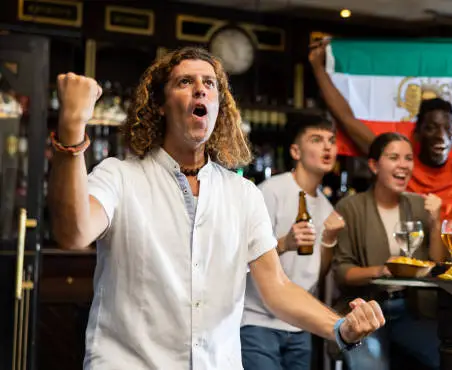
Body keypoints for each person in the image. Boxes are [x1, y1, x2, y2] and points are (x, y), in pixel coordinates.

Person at [47, 47, 385, 370]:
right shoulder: (119, 176)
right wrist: (72, 130)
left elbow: (277, 288)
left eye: (209, 84)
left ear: (219, 106)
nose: (200, 90)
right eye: (184, 82)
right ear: (161, 105)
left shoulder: (243, 194)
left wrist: (340, 327)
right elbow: (73, 233)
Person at [309, 40, 452, 220]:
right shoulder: (399, 165)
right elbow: (347, 119)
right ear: (418, 133)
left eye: (447, 128)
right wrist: (318, 67)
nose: (440, 135)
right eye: (431, 128)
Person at [240, 116, 346, 370]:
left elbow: (315, 273)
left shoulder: (326, 206)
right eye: (317, 140)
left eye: (331, 141)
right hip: (258, 323)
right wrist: (284, 243)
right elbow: (242, 254)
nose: (327, 147)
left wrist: (329, 242)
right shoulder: (270, 191)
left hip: (300, 326)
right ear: (295, 151)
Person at [332, 132, 444, 370]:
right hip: (367, 309)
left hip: (412, 310)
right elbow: (343, 272)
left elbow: (437, 262)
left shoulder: (419, 204)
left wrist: (435, 222)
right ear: (373, 165)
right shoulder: (350, 207)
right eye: (394, 157)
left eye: (408, 158)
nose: (403, 164)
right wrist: (382, 270)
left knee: (449, 355)